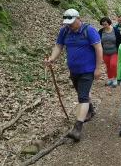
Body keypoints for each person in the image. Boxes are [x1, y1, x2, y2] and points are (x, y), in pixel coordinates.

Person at [44, 9, 103, 142]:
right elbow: (58, 46)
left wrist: (98, 68)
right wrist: (51, 59)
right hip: (73, 71)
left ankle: (77, 127)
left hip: (88, 70)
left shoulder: (89, 30)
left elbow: (99, 49)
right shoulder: (64, 31)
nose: (69, 25)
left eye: (71, 22)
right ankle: (91, 111)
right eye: (67, 22)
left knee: (82, 97)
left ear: (78, 18)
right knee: (82, 93)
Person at [98, 17, 121, 87]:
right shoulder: (100, 32)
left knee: (113, 65)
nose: (104, 26)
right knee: (108, 66)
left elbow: (120, 41)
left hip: (114, 51)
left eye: (105, 24)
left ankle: (115, 78)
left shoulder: (115, 31)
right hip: (105, 52)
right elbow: (98, 42)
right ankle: (110, 79)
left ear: (109, 23)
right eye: (103, 24)